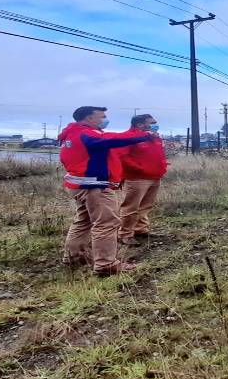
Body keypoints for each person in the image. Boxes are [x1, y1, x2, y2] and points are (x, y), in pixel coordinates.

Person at [59, 106, 155, 276]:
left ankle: (74, 256)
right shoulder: (87, 134)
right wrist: (142, 136)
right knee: (107, 223)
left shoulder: (72, 134)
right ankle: (106, 264)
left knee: (83, 221)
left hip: (80, 185)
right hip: (94, 186)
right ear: (89, 118)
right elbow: (113, 139)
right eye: (102, 116)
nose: (105, 119)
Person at [118, 114, 167, 246]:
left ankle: (140, 229)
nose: (155, 124)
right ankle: (125, 234)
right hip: (136, 178)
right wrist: (139, 169)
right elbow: (122, 156)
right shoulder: (129, 137)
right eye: (152, 122)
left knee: (146, 205)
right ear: (140, 124)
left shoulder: (154, 137)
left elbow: (159, 155)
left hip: (154, 176)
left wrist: (162, 168)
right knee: (131, 207)